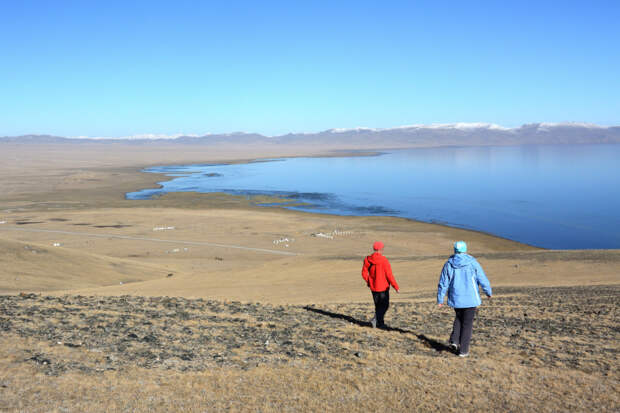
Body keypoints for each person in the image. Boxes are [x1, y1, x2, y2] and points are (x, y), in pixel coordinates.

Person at [437, 241, 492, 357]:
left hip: (456, 298)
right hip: (471, 299)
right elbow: (482, 278)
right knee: (467, 324)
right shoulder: (473, 263)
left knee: (458, 318)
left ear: (455, 250)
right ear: (465, 249)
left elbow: (443, 283)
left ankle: (454, 341)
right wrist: (488, 292)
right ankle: (463, 351)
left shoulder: (449, 264)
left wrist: (440, 299)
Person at [362, 241, 399, 329]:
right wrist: (396, 286)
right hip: (383, 287)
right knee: (384, 305)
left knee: (378, 306)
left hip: (373, 287)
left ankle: (380, 323)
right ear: (381, 249)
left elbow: (363, 273)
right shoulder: (384, 260)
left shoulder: (367, 259)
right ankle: (375, 320)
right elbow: (389, 275)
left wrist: (369, 281)